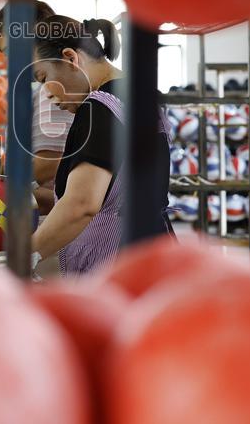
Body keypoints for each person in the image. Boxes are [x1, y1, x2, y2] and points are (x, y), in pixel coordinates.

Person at [28, 15, 172, 276]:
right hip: (146, 256)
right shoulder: (139, 96)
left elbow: (82, 204)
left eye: (43, 77)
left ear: (71, 58)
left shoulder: (98, 108)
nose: (47, 94)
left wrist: (22, 257)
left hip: (116, 268)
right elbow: (115, 194)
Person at [0, 0, 74, 214]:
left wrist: (1, 184)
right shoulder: (46, 87)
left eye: (11, 51)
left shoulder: (54, 91)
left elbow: (52, 162)